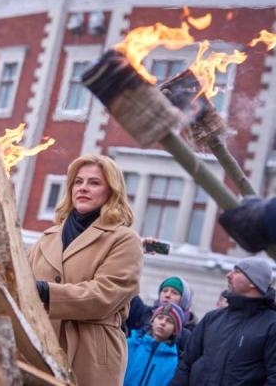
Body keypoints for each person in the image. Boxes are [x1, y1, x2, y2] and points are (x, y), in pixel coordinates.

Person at [28, 154, 143, 386]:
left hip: (89, 354)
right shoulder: (47, 237)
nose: (83, 188)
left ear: (112, 191)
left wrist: (46, 291)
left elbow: (106, 294)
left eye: (94, 183)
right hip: (41, 346)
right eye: (78, 182)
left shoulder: (124, 239)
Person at [171, 257, 276, 385]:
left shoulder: (271, 325)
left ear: (253, 282)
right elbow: (186, 363)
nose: (228, 275)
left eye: (237, 271)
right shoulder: (212, 318)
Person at [124, 302, 185, 386]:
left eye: (169, 321)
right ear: (152, 321)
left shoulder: (175, 362)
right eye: (160, 318)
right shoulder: (130, 345)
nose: (163, 322)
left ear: (175, 330)